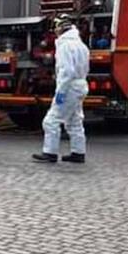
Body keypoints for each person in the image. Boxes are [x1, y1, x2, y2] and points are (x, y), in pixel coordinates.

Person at [33, 14, 90, 163]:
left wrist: (61, 92)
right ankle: (78, 153)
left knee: (51, 120)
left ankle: (50, 152)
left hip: (69, 87)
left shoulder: (65, 46)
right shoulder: (81, 45)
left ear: (60, 29)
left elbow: (67, 71)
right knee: (75, 121)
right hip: (81, 85)